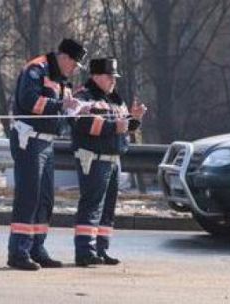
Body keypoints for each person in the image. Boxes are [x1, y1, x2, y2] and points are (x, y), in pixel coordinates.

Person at [7, 38, 87, 271]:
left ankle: (36, 248)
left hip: (46, 143)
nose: (75, 70)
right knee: (28, 196)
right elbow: (29, 101)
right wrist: (61, 104)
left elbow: (61, 113)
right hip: (29, 139)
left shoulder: (62, 79)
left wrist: (77, 111)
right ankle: (18, 252)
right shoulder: (37, 69)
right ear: (64, 58)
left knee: (45, 200)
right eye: (74, 64)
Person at [71, 58, 147, 267]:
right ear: (95, 76)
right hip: (93, 158)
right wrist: (118, 126)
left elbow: (125, 127)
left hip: (113, 159)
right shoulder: (83, 97)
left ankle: (101, 249)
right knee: (92, 204)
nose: (113, 80)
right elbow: (83, 124)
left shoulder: (115, 99)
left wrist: (135, 119)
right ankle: (85, 251)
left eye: (114, 77)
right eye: (109, 76)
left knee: (108, 208)